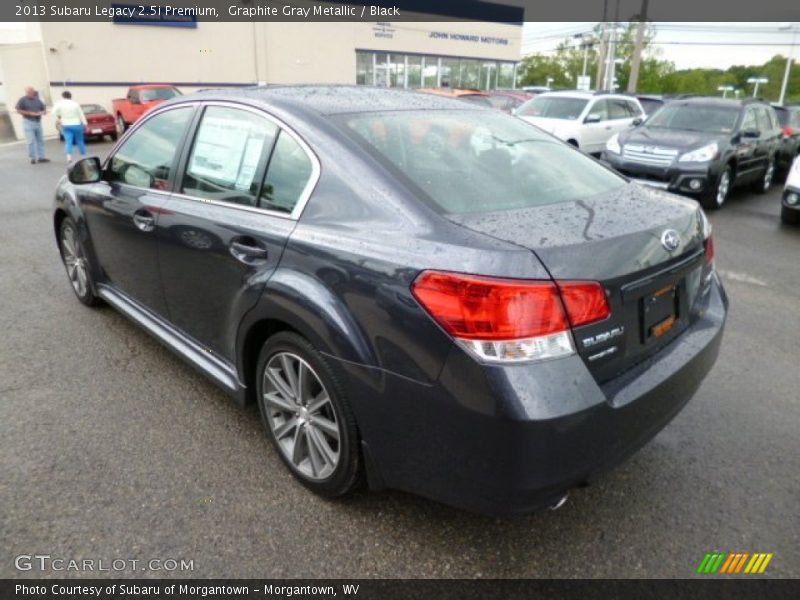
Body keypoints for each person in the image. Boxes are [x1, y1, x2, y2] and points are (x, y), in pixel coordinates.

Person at [15, 86, 49, 164]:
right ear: (26, 92)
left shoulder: (37, 100)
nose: (31, 93)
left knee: (40, 140)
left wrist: (43, 112)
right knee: (30, 141)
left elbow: (43, 108)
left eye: (32, 92)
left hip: (38, 122)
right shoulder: (22, 100)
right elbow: (18, 110)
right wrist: (30, 113)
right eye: (29, 92)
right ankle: (32, 158)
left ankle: (41, 157)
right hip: (28, 122)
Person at [52, 90, 88, 162]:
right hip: (76, 124)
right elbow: (81, 114)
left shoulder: (59, 103)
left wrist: (59, 119)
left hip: (66, 125)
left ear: (63, 96)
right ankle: (83, 155)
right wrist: (85, 124)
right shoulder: (75, 104)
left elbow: (53, 112)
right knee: (80, 140)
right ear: (70, 96)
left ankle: (69, 157)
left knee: (68, 142)